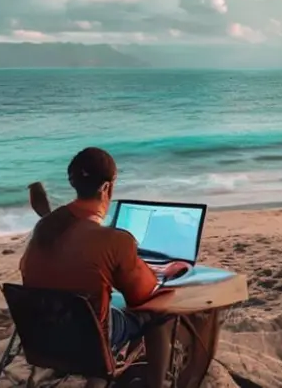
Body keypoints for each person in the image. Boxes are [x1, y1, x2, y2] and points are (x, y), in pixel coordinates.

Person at [20, 147, 191, 387]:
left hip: (44, 337)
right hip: (88, 343)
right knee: (158, 312)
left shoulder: (45, 228)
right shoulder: (115, 241)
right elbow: (142, 297)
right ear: (106, 188)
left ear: (74, 184)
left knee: (96, 308)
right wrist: (164, 272)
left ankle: (102, 375)